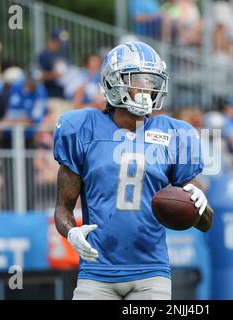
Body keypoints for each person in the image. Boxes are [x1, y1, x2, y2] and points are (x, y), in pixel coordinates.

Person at [53, 41, 213, 300]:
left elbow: (206, 223)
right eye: (137, 78)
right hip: (97, 273)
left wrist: (201, 206)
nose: (146, 87)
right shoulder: (82, 127)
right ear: (112, 81)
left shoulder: (175, 133)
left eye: (151, 80)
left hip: (151, 273)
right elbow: (62, 208)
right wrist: (71, 231)